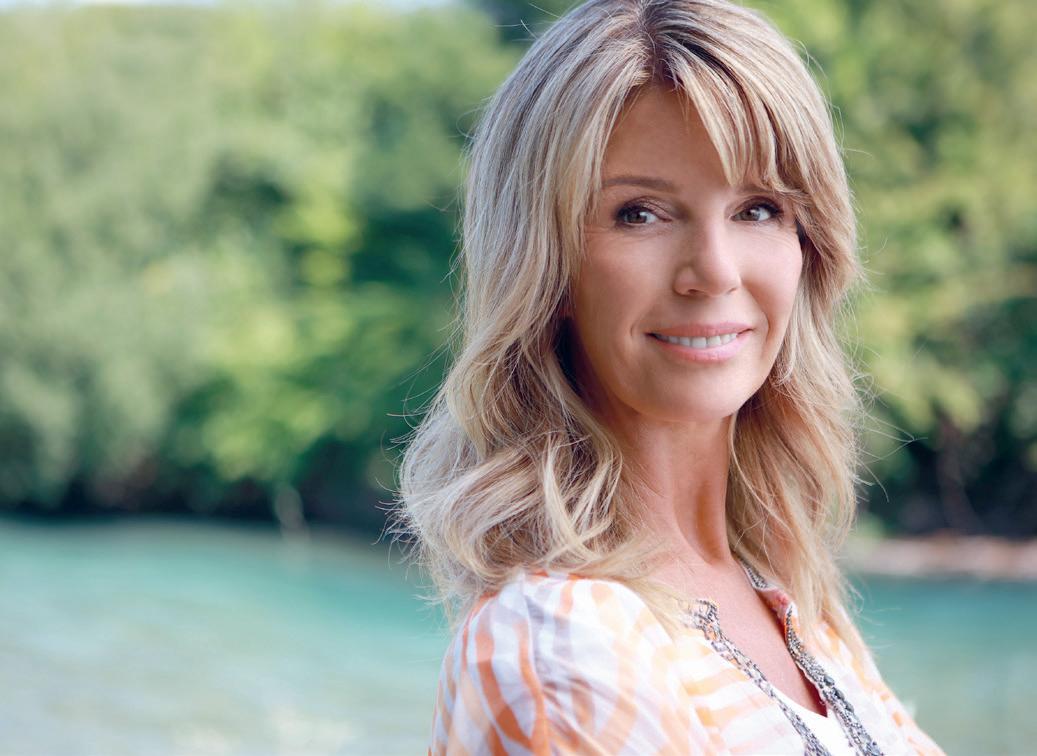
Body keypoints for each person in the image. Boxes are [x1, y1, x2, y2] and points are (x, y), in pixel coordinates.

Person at [393, 0, 947, 753]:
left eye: (757, 209)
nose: (713, 271)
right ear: (544, 263)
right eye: (640, 214)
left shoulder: (790, 607)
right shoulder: (561, 649)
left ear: (808, 247)